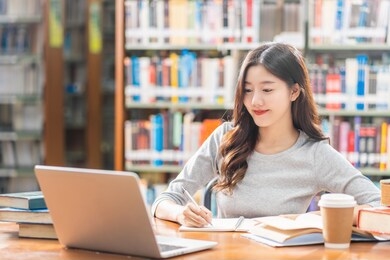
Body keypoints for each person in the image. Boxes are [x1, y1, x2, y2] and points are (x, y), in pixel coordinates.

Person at [151, 42, 381, 228]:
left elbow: (377, 204)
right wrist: (181, 213)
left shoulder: (315, 154)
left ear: (294, 91)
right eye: (248, 90)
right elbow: (165, 200)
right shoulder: (226, 137)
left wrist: (323, 217)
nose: (255, 101)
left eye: (267, 90)